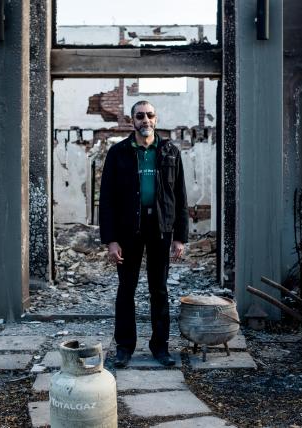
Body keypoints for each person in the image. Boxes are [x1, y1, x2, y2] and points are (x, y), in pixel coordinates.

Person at [99, 100, 188, 368]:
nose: (145, 120)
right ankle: (124, 348)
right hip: (129, 230)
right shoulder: (119, 153)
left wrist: (180, 236)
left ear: (156, 119)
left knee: (159, 290)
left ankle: (160, 347)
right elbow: (107, 199)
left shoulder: (170, 151)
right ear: (132, 120)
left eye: (150, 115)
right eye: (140, 116)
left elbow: (180, 196)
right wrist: (111, 240)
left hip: (160, 229)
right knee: (126, 289)